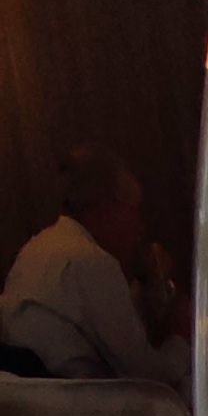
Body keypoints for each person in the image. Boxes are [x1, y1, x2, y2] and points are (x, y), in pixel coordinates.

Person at [0, 147, 191, 398]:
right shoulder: (91, 262)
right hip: (82, 408)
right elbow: (147, 377)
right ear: (109, 207)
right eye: (134, 210)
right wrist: (181, 336)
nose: (140, 227)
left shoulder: (37, 248)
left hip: (39, 404)